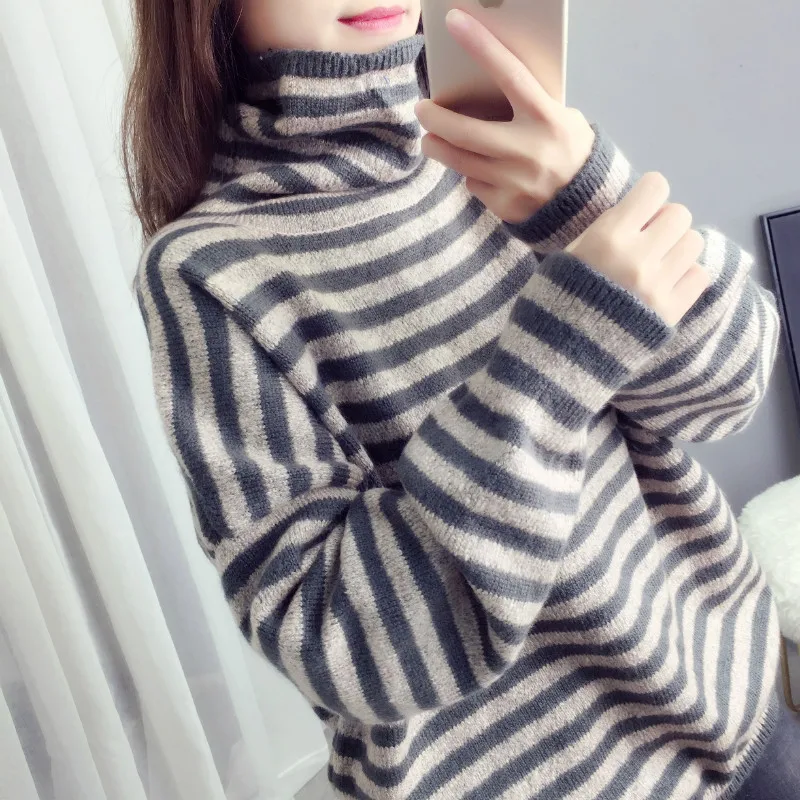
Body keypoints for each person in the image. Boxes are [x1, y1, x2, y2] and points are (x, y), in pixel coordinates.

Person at [124, 1, 795, 797]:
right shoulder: (206, 269)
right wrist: (567, 346)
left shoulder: (504, 141)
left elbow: (732, 387)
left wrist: (591, 198)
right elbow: (341, 641)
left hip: (739, 714)